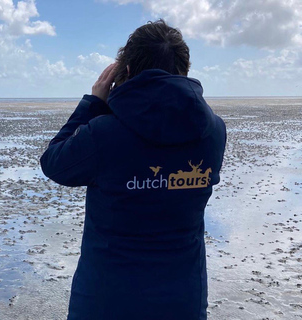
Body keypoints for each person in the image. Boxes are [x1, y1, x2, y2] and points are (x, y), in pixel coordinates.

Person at [40, 19, 226, 320]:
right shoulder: (213, 132)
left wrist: (93, 103)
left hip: (106, 302)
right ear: (184, 70)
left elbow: (53, 162)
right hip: (183, 301)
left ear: (124, 72)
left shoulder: (102, 134)